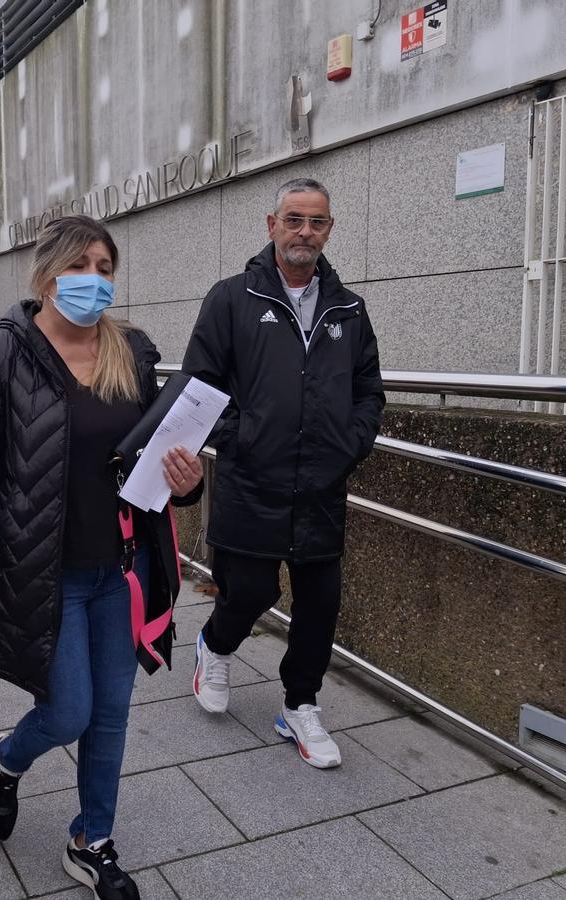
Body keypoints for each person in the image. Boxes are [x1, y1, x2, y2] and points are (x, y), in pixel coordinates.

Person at [0, 215, 202, 900]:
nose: (95, 280)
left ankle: (91, 841)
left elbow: (156, 453)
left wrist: (188, 479)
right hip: (40, 571)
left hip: (121, 569)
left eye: (106, 267)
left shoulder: (133, 352)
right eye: (81, 264)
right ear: (48, 273)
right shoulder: (3, 355)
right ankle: (6, 759)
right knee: (67, 713)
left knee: (110, 713)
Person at [182, 177, 384, 769]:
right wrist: (239, 439)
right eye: (293, 219)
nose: (304, 232)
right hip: (253, 481)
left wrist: (347, 446)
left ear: (329, 230)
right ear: (271, 224)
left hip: (322, 486)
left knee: (320, 602)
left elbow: (369, 390)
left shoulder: (349, 308)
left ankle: (300, 705)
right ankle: (215, 646)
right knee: (250, 590)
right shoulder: (232, 298)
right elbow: (201, 386)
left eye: (316, 221)